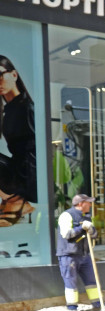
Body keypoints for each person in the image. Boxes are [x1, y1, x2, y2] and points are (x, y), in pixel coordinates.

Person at [0, 55, 37, 227]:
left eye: (0, 75)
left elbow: (34, 150)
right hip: (20, 170)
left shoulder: (25, 107)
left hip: (28, 175)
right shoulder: (9, 109)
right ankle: (13, 199)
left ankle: (15, 200)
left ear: (14, 75)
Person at [57, 194, 101, 311]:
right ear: (81, 203)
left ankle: (98, 304)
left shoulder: (86, 217)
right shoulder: (66, 215)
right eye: (88, 203)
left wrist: (92, 230)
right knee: (70, 281)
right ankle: (72, 308)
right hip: (69, 255)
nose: (91, 205)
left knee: (91, 280)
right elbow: (67, 234)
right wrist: (81, 228)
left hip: (84, 255)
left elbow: (94, 235)